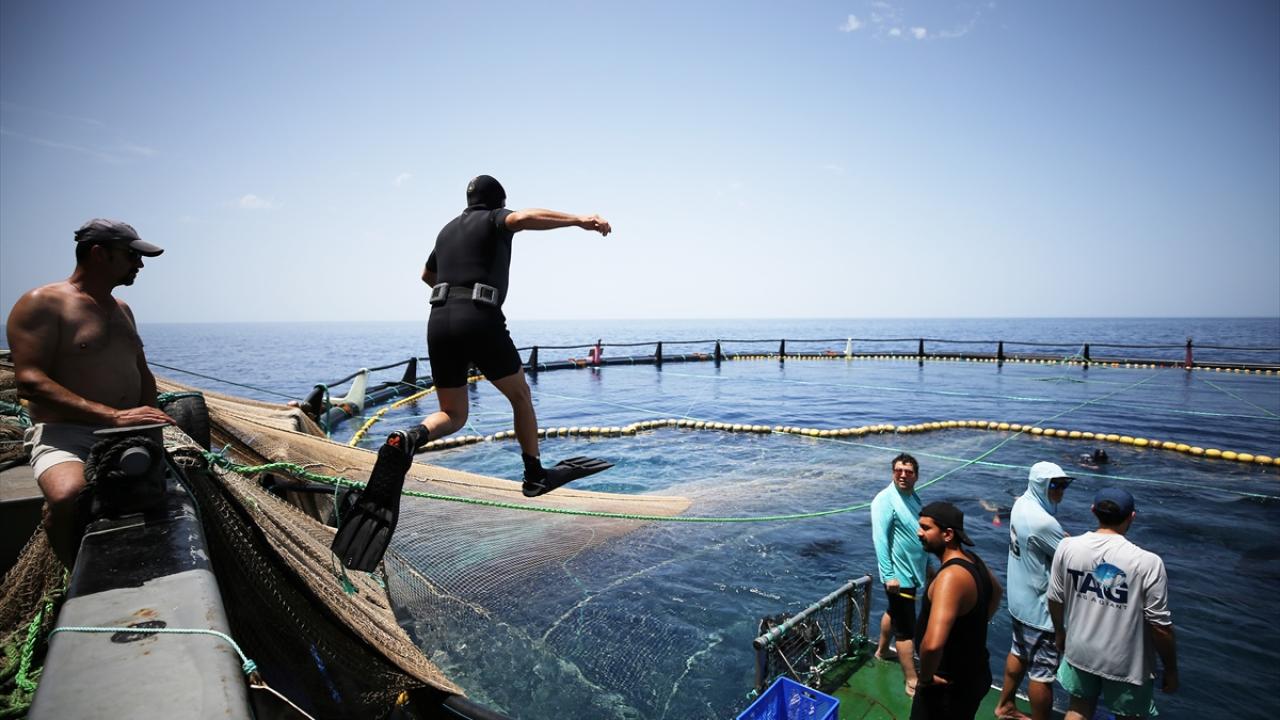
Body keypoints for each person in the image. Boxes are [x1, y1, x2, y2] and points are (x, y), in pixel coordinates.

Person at [5, 219, 172, 567]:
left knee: (162, 495)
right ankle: (73, 576)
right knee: (69, 496)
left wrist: (153, 429)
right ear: (99, 254)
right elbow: (30, 382)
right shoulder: (42, 303)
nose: (139, 265)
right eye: (131, 256)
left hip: (129, 431)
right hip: (67, 434)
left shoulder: (122, 309)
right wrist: (112, 416)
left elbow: (142, 373)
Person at [1047, 488, 1177, 720]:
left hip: (1080, 650)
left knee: (1078, 709)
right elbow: (1160, 627)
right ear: (1132, 516)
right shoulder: (1148, 563)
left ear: (1093, 511)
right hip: (1126, 663)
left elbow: (1055, 598)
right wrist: (1170, 668)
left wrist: (1060, 633)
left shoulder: (1067, 547)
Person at [994, 462, 1072, 720]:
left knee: (1019, 652)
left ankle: (1005, 705)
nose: (1061, 490)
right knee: (1042, 674)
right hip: (1041, 610)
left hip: (1019, 602)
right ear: (1041, 485)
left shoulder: (1021, 505)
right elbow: (1072, 559)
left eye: (1064, 484)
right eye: (1055, 485)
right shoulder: (1043, 522)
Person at [913, 502, 1003, 720]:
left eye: (926, 528)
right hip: (976, 673)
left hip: (947, 686)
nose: (919, 533)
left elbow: (932, 646)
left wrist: (925, 679)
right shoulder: (974, 560)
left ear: (948, 534)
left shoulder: (951, 577)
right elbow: (997, 592)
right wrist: (972, 626)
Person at [871, 452, 929, 696]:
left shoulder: (913, 496)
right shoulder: (884, 500)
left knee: (893, 612)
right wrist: (888, 575)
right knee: (906, 630)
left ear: (916, 475)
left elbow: (919, 531)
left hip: (914, 572)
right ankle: (911, 679)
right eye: (898, 470)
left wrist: (928, 565)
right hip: (899, 577)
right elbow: (880, 540)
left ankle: (882, 650)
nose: (903, 475)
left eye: (908, 471)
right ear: (892, 472)